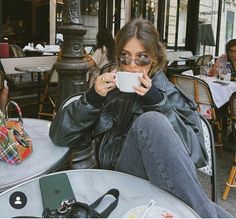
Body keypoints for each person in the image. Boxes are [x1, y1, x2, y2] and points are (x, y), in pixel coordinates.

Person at [49, 18, 232, 218]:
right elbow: (60, 136)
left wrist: (157, 102)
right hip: (115, 180)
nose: (132, 67)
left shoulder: (169, 95)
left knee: (151, 120)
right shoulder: (108, 91)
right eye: (125, 57)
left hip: (160, 182)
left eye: (142, 58)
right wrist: (92, 99)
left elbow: (197, 155)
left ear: (155, 59)